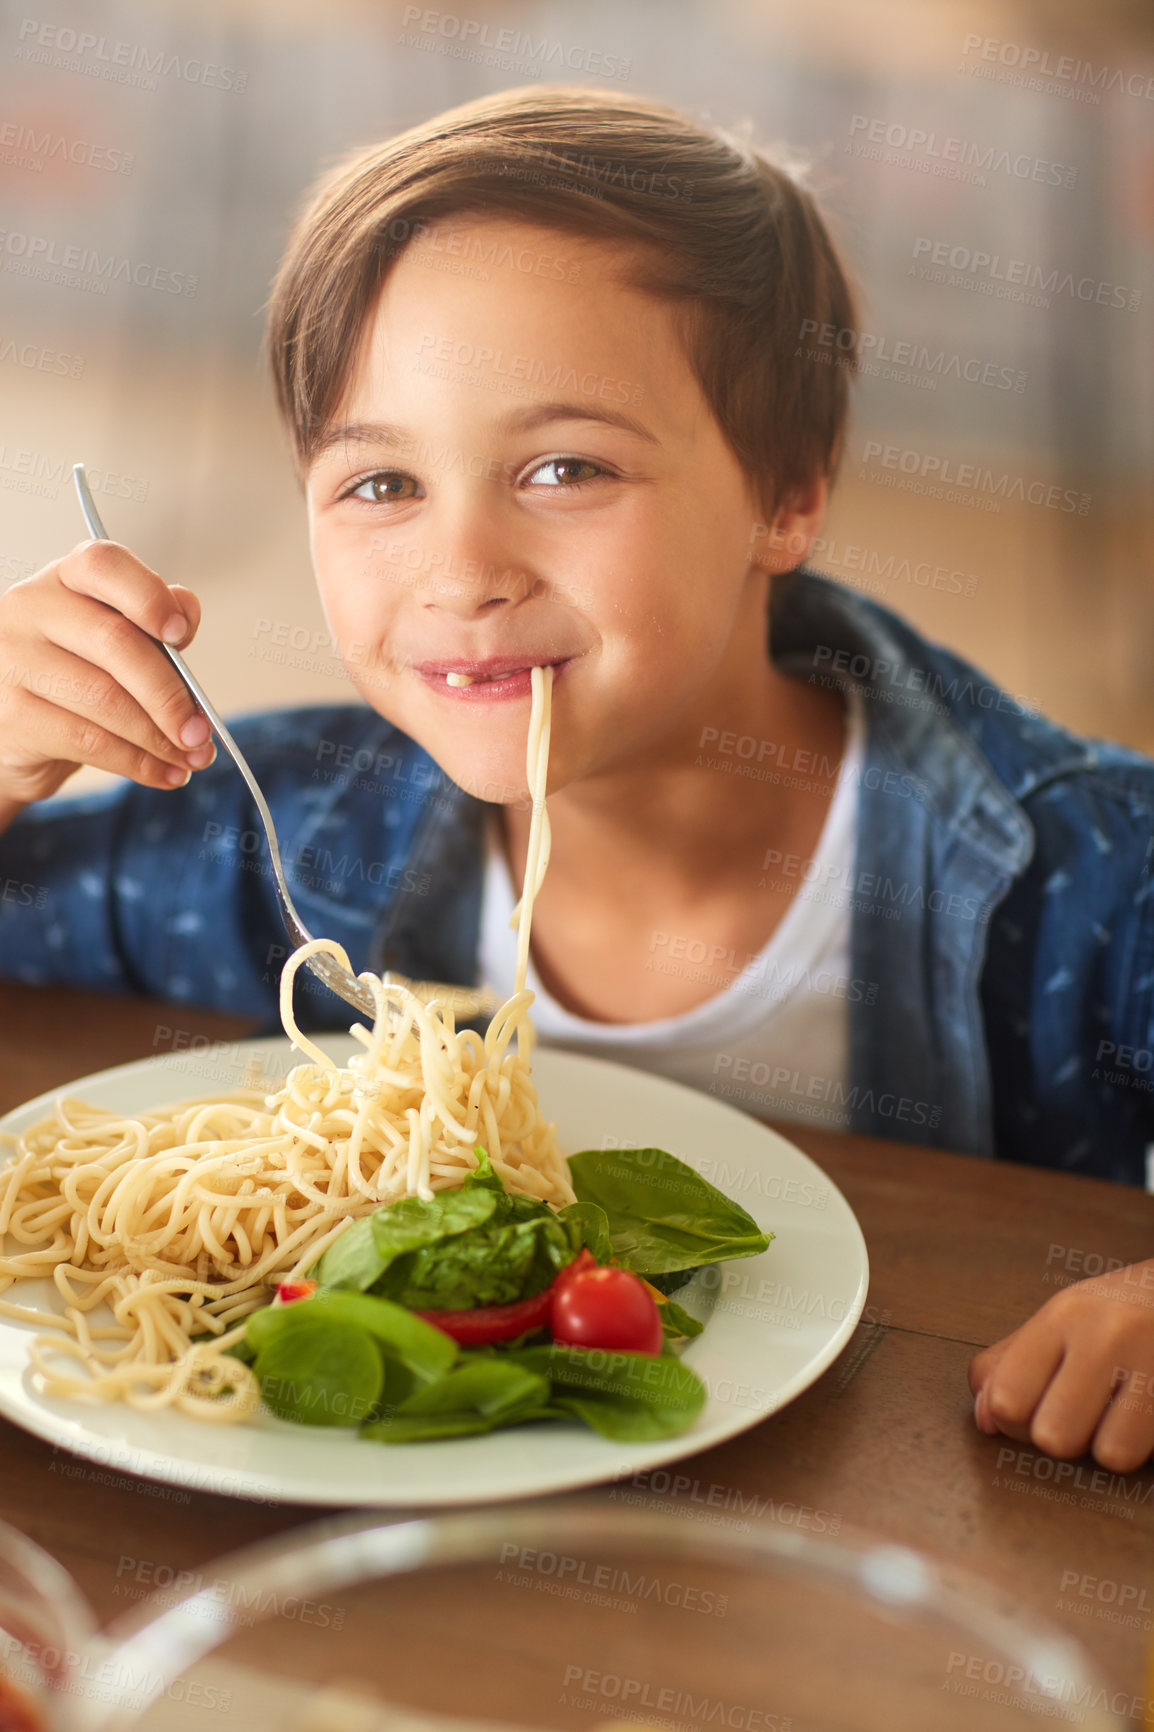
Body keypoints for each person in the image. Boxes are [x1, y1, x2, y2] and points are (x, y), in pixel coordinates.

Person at [0, 86, 1151, 1469]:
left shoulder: (1081, 866)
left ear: (785, 491)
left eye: (563, 467)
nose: (463, 571)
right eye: (381, 485)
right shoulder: (285, 834)